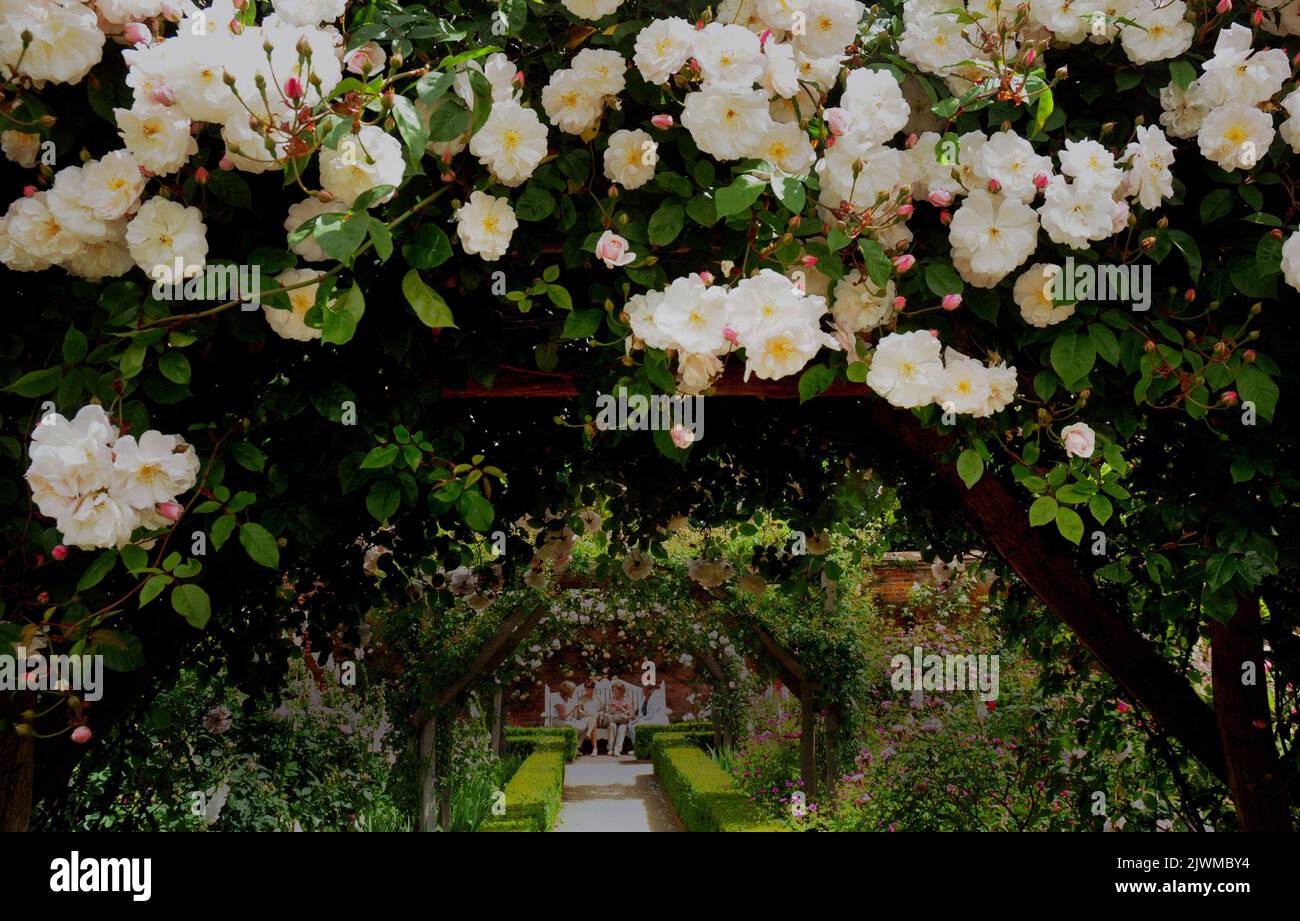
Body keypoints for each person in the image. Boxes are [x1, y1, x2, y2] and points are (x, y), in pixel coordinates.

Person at [551, 680, 595, 745]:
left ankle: (577, 747)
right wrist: (574, 708)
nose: (574, 692)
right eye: (573, 690)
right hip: (559, 721)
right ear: (568, 691)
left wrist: (578, 707)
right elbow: (563, 716)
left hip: (569, 720)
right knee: (580, 728)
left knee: (588, 721)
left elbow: (574, 709)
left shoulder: (568, 697)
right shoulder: (558, 699)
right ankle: (574, 746)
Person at [629, 681, 669, 746]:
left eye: (643, 689)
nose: (642, 691)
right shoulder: (645, 699)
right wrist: (636, 718)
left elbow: (651, 715)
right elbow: (642, 713)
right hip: (646, 719)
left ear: (648, 689)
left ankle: (640, 746)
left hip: (654, 721)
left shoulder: (654, 699)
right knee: (630, 725)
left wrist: (638, 720)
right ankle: (638, 746)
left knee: (633, 726)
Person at [574, 678, 604, 755]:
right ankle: (595, 749)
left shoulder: (598, 698)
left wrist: (597, 714)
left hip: (598, 719)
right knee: (591, 724)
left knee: (594, 716)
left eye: (592, 687)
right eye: (588, 687)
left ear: (594, 688)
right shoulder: (581, 698)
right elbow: (579, 710)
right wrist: (588, 715)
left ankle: (578, 747)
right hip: (586, 718)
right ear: (585, 688)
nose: (590, 689)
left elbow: (603, 710)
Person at [606, 681, 636, 757]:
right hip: (614, 719)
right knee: (612, 726)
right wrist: (614, 709)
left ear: (621, 690)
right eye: (613, 690)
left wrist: (623, 709)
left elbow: (631, 715)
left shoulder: (628, 700)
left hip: (623, 720)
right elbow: (609, 712)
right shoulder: (611, 700)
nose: (613, 692)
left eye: (615, 690)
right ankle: (610, 749)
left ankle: (617, 749)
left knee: (622, 728)